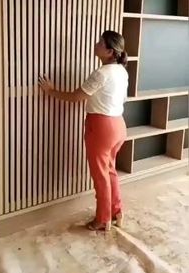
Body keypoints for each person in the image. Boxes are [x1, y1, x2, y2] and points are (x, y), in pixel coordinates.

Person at [39, 30, 128, 232]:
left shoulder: (101, 73)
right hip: (119, 125)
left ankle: (103, 219)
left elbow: (76, 97)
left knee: (100, 175)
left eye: (100, 42)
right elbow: (120, 99)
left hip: (101, 127)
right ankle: (117, 212)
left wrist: (50, 90)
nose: (96, 44)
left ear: (109, 51)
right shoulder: (121, 71)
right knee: (110, 170)